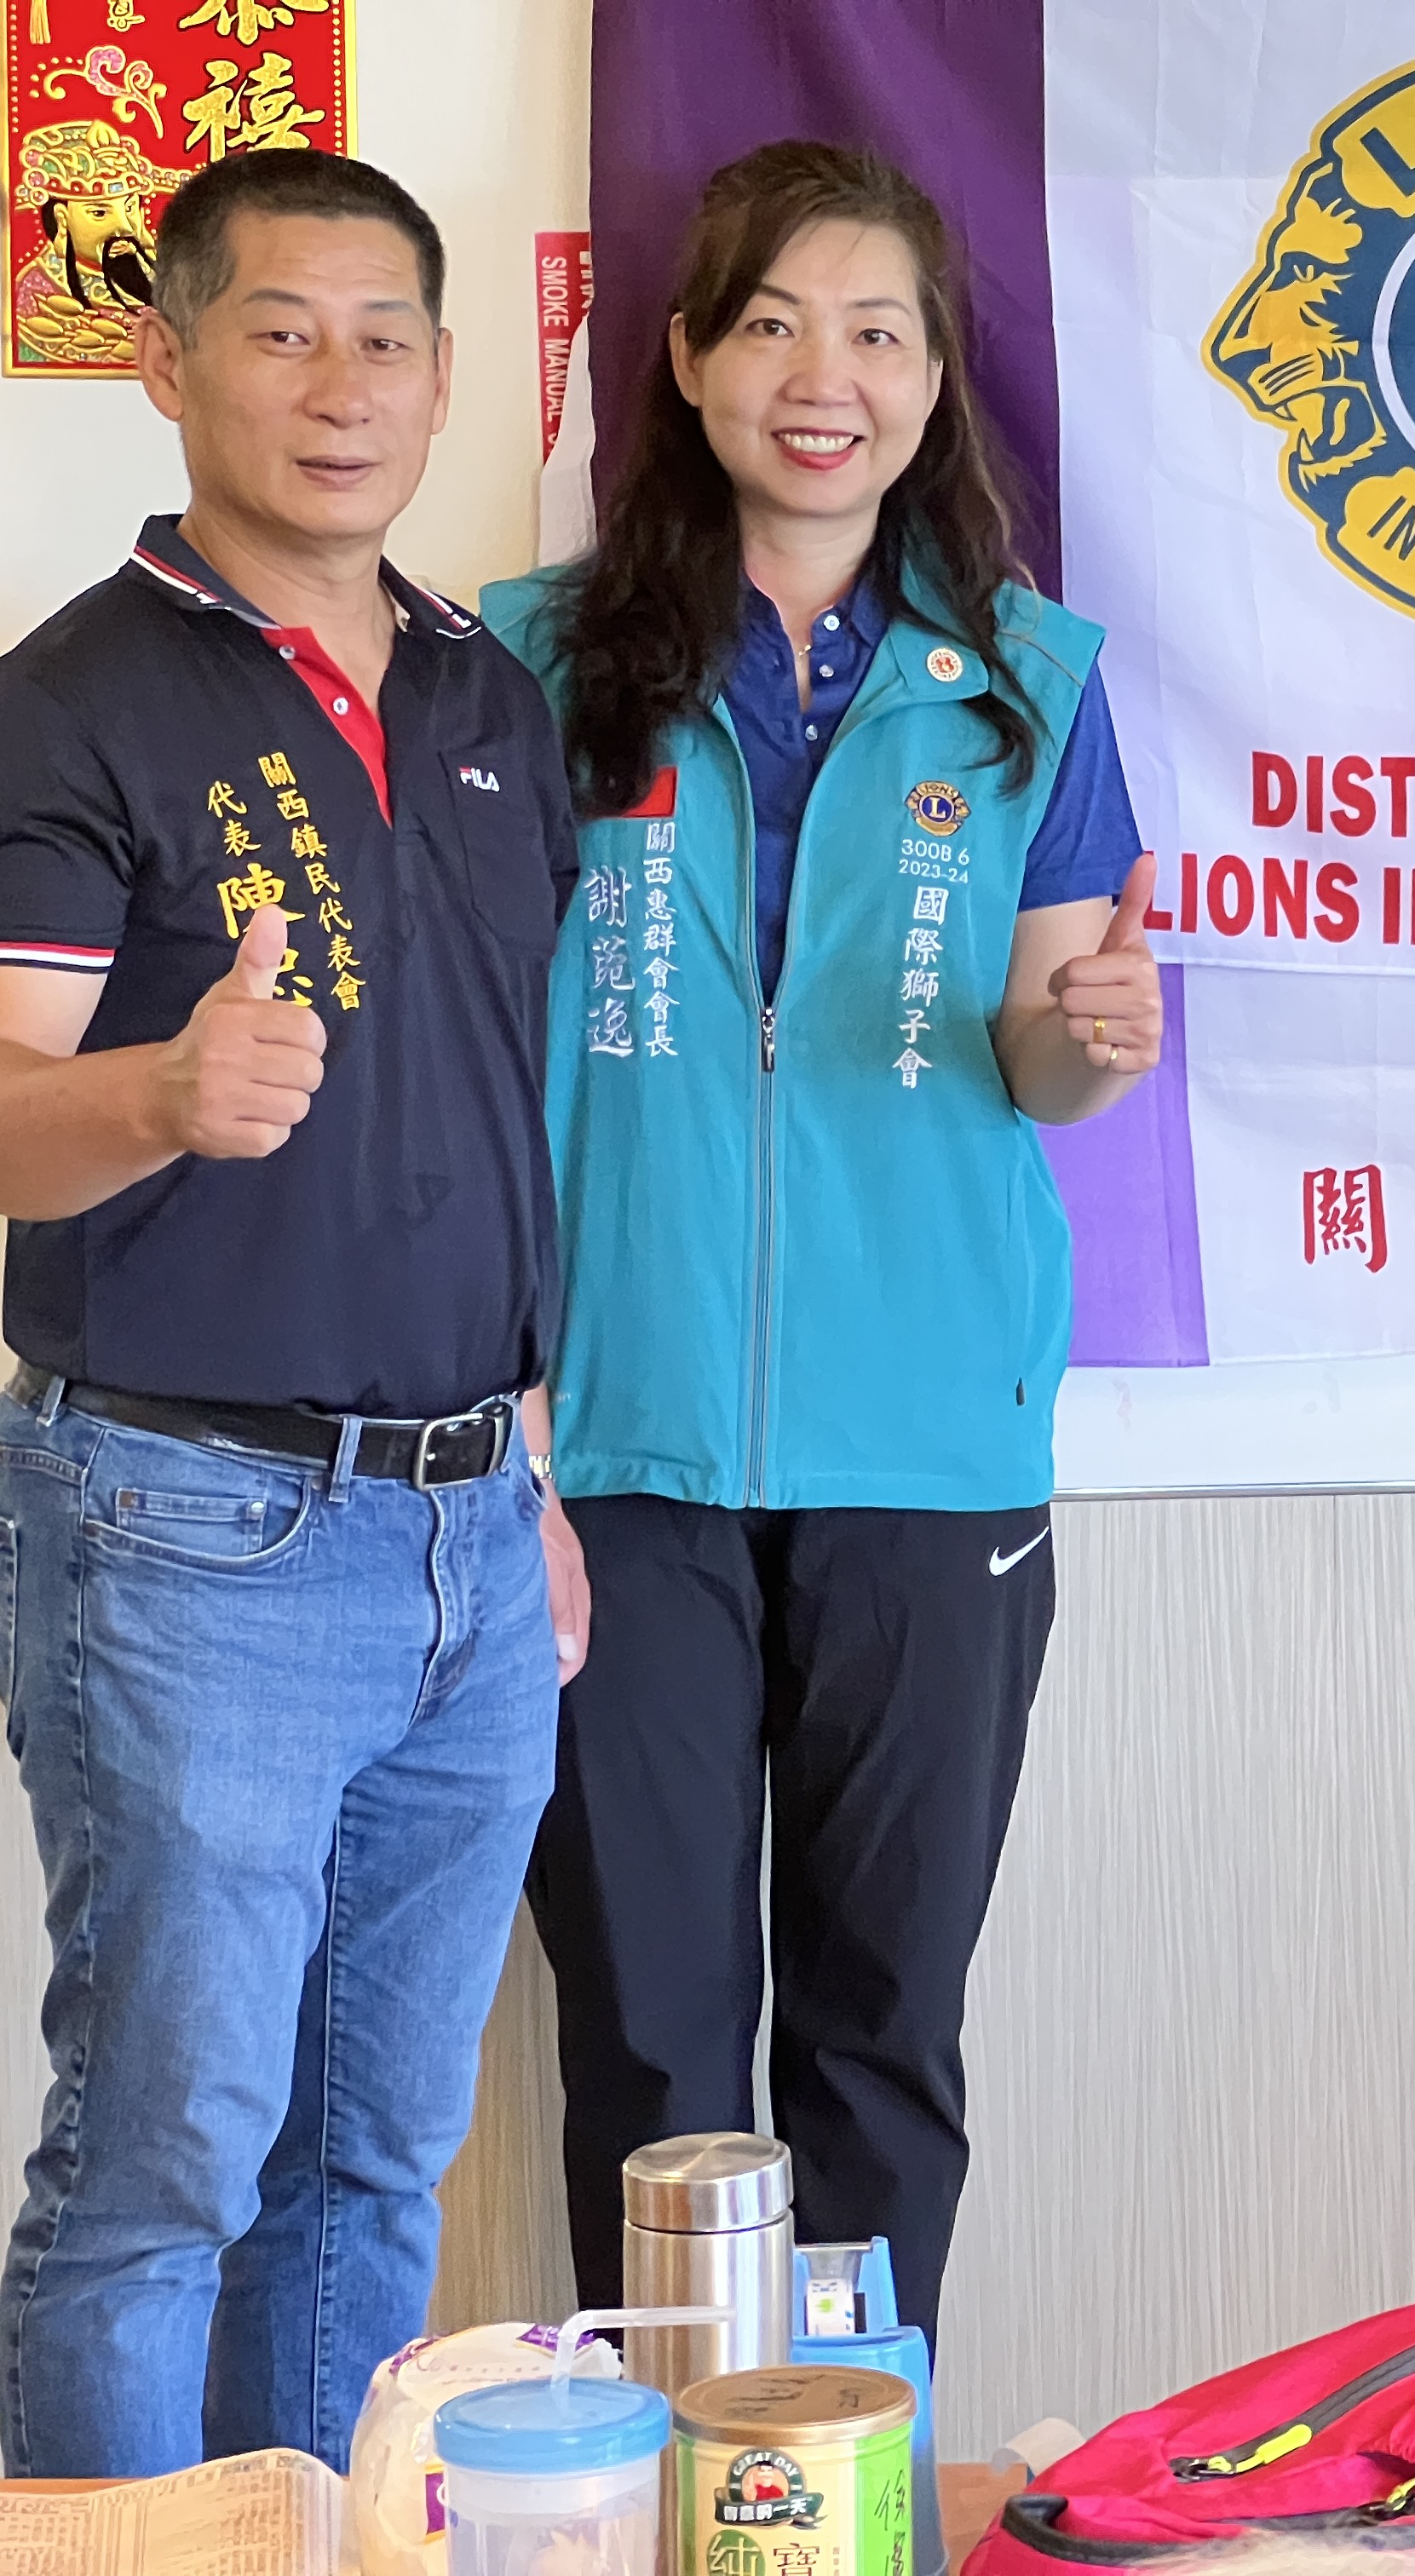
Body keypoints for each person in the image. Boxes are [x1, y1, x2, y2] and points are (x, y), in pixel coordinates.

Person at [483, 140, 1162, 2340]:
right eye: (771, 323)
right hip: (620, 1442)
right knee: (653, 2043)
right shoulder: (527, 664)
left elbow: (1044, 1057)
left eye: (878, 332)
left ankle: (850, 2473)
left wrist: (1086, 1039)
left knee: (881, 2032)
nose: (823, 377)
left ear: (936, 379)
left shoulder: (1028, 678)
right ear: (687, 360)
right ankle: (675, 2471)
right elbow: (474, 1052)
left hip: (931, 1446)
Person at [0, 153, 578, 2472]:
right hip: (189, 1530)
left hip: (471, 1534)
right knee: (159, 2178)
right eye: (279, 329)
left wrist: (526, 1480)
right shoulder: (73, 701)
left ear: (442, 378)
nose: (340, 385)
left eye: (385, 337)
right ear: (167, 361)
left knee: (371, 2166)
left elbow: (495, 1131)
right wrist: (160, 1092)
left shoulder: (488, 695)